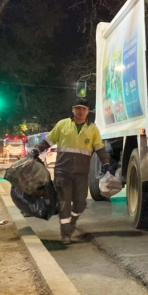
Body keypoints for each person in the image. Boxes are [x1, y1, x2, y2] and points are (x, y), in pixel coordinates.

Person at [31, 99, 110, 245]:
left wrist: (105, 162)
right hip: (63, 171)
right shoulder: (62, 125)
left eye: (84, 109)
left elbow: (99, 148)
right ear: (73, 110)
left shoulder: (93, 129)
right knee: (64, 202)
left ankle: (73, 219)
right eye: (78, 108)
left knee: (81, 202)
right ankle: (65, 233)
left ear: (88, 112)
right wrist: (36, 150)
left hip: (81, 172)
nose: (80, 111)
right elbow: (48, 141)